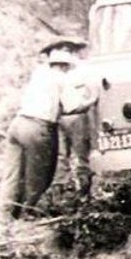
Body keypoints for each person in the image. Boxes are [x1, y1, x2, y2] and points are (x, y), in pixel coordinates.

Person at [0, 45, 98, 221]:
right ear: (65, 66)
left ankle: (5, 215)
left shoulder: (38, 75)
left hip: (18, 123)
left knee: (12, 172)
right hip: (38, 127)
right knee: (39, 175)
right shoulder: (61, 79)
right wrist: (91, 100)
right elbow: (71, 106)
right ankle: (27, 213)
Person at [45, 38, 95, 197]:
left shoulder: (82, 68)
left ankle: (79, 192)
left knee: (76, 156)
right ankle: (66, 193)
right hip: (65, 115)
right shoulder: (60, 71)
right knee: (63, 156)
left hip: (73, 115)